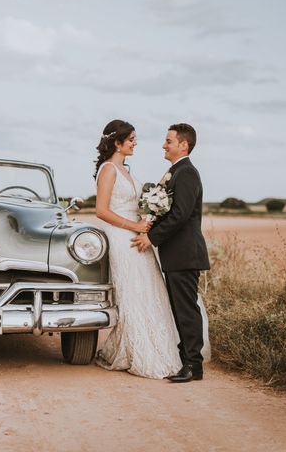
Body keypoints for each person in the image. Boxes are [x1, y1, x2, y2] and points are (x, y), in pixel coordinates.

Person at [94, 119, 183, 379]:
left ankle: (159, 347)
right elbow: (101, 211)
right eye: (131, 139)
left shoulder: (127, 170)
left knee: (149, 289)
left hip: (135, 234)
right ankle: (138, 351)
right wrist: (133, 225)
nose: (135, 143)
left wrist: (153, 205)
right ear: (116, 142)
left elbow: (138, 203)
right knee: (133, 292)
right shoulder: (108, 169)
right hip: (121, 237)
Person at [131, 123, 211, 383]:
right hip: (176, 255)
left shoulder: (186, 173)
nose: (164, 145)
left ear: (183, 145)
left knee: (186, 310)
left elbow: (180, 214)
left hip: (185, 254)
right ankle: (186, 361)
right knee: (179, 309)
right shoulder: (175, 172)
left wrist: (151, 237)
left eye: (168, 141)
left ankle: (193, 366)